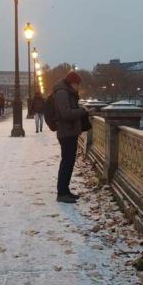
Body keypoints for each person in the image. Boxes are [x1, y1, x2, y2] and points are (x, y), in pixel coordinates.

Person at [52, 71, 88, 203]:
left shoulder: (67, 92)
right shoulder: (62, 93)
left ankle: (65, 191)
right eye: (78, 85)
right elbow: (66, 113)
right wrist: (83, 111)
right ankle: (61, 193)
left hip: (69, 132)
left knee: (69, 162)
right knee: (66, 163)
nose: (78, 87)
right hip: (66, 132)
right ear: (73, 83)